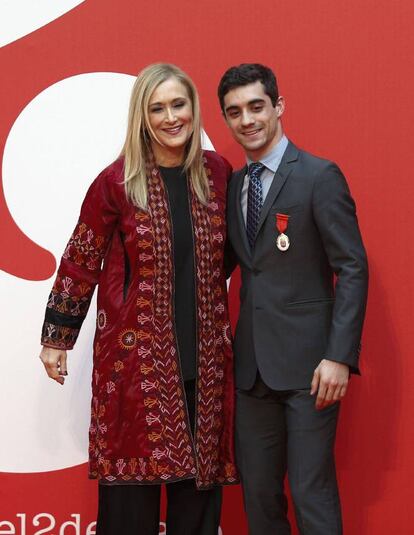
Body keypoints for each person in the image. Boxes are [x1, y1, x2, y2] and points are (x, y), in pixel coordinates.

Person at [39, 63, 238, 535]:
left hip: (205, 368)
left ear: (194, 108)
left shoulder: (217, 174)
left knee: (198, 509)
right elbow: (80, 259)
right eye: (157, 108)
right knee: (129, 511)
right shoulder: (117, 182)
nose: (171, 117)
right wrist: (57, 338)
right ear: (142, 117)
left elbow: (229, 255)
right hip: (134, 373)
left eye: (179, 104)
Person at [218, 63, 368, 535]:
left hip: (311, 370)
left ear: (278, 107)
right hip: (252, 372)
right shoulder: (235, 187)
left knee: (310, 490)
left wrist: (339, 357)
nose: (247, 120)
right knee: (260, 497)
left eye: (257, 107)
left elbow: (353, 267)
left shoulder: (320, 176)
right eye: (235, 111)